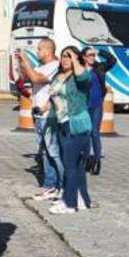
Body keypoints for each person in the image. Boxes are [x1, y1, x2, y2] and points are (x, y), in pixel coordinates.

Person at [16, 38, 62, 201]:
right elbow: (26, 78)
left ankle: (58, 185)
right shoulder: (42, 66)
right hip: (37, 115)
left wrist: (26, 60)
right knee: (43, 152)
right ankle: (49, 185)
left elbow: (36, 78)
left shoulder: (55, 66)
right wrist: (21, 63)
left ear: (49, 50)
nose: (38, 52)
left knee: (53, 152)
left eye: (40, 49)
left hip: (47, 115)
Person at [48, 46, 92, 214]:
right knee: (77, 165)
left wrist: (75, 59)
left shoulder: (81, 76)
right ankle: (82, 200)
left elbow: (83, 77)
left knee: (70, 164)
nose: (65, 60)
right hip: (61, 123)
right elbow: (54, 96)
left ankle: (70, 203)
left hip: (77, 123)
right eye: (63, 56)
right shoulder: (58, 76)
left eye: (69, 56)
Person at [82, 46, 118, 175]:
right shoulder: (79, 69)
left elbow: (113, 60)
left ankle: (97, 161)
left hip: (97, 105)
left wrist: (99, 51)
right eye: (89, 55)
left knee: (94, 132)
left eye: (93, 55)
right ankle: (85, 160)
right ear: (84, 57)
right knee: (85, 133)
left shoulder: (100, 67)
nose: (92, 57)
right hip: (83, 106)